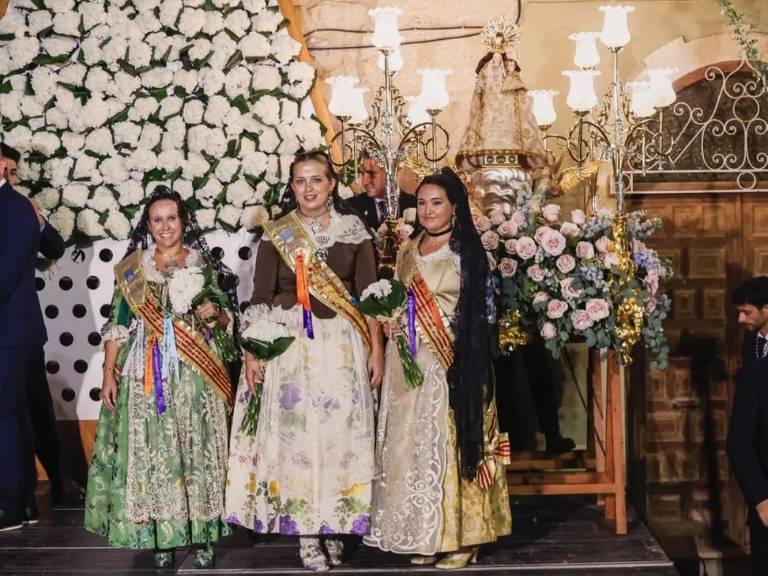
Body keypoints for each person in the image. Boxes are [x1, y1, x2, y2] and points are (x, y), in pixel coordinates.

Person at [225, 151, 383, 572]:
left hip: (343, 349)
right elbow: (259, 299)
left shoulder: (354, 231)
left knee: (338, 439)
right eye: (300, 181)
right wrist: (254, 353)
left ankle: (334, 523)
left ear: (332, 183)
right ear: (291, 186)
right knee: (299, 441)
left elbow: (369, 296)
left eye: (316, 179)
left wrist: (378, 349)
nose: (308, 188)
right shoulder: (277, 233)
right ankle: (307, 531)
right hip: (291, 348)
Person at [364, 168, 511, 569]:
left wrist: (452, 347)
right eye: (422, 203)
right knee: (412, 447)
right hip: (407, 362)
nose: (427, 211)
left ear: (454, 208)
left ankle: (463, 537)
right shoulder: (409, 249)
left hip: (452, 363)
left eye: (436, 203)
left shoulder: (467, 252)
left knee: (451, 444)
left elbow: (482, 313)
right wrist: (392, 320)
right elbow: (395, 297)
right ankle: (425, 531)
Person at [84, 186, 238, 569]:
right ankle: (162, 536)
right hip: (149, 373)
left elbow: (224, 318)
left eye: (172, 218)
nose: (166, 226)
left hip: (198, 373)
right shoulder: (134, 268)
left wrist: (214, 315)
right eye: (158, 220)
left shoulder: (202, 264)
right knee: (157, 454)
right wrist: (108, 374)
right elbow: (118, 324)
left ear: (184, 222)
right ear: (148, 226)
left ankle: (203, 534)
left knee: (199, 450)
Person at [0, 148, 64, 532]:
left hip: (10, 331)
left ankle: (13, 503)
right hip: (12, 331)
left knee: (8, 416)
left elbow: (5, 273)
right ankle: (21, 502)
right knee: (15, 416)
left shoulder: (13, 206)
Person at [348, 151, 416, 231]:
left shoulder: (416, 205)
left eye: (371, 174)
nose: (364, 182)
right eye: (362, 173)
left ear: (391, 172)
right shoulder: (350, 207)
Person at [732, 276, 768, 366]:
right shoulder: (749, 337)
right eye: (739, 313)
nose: (740, 320)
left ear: (766, 309)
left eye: (747, 313)